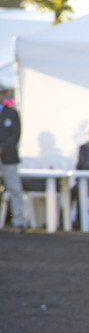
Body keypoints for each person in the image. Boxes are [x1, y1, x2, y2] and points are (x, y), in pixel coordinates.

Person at [0, 83, 25, 231]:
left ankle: (18, 221)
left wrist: (3, 148)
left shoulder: (12, 114)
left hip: (9, 158)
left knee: (15, 189)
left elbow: (16, 135)